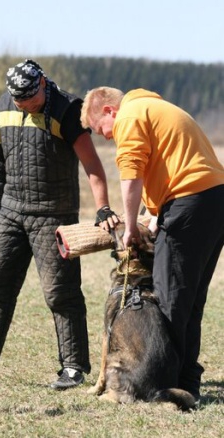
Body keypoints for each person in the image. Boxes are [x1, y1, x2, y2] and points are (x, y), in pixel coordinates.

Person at [0, 60, 119, 390]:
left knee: (60, 292)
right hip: (11, 212)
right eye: (18, 101)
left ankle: (73, 367)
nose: (24, 105)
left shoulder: (68, 110)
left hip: (53, 214)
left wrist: (103, 209)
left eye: (29, 99)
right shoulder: (2, 107)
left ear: (42, 83)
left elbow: (92, 164)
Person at [80, 86, 224, 403]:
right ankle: (186, 383)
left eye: (99, 129)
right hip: (213, 200)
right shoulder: (156, 109)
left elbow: (131, 174)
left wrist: (130, 226)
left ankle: (164, 387)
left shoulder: (130, 115)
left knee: (170, 298)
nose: (103, 137)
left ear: (108, 111)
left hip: (190, 203)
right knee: (190, 298)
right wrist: (155, 214)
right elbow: (170, 168)